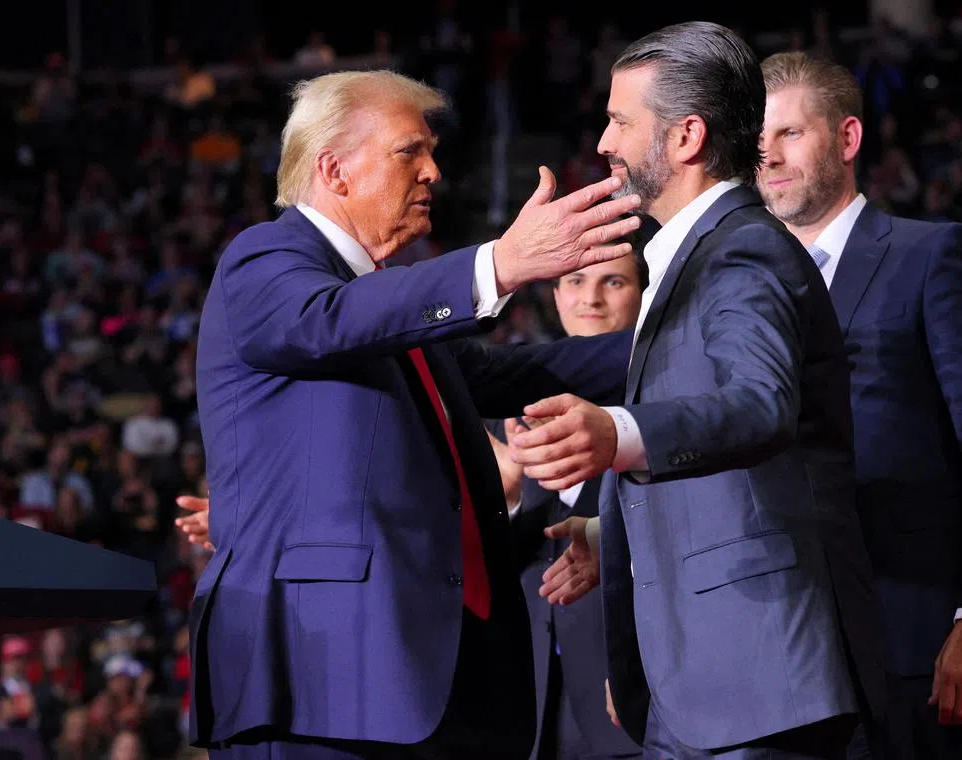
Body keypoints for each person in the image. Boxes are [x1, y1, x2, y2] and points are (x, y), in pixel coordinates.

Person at [190, 69, 643, 760]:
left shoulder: (386, 301)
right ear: (334, 170)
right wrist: (499, 263)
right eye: (410, 151)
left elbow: (503, 374)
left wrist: (675, 337)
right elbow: (327, 322)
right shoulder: (265, 258)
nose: (433, 171)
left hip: (429, 680)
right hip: (325, 679)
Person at [510, 22, 886, 759]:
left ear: (684, 137)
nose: (604, 145)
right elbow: (526, 370)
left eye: (620, 120)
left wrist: (616, 435)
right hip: (697, 684)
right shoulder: (684, 261)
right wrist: (496, 273)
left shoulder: (741, 249)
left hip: (759, 680)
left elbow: (760, 403)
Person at [754, 52, 962, 760]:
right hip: (780, 666)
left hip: (921, 657)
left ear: (848, 140)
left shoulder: (932, 256)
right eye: (757, 141)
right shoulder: (744, 293)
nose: (769, 155)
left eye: (790, 133)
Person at [492, 233, 656, 760]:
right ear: (555, 294)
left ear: (643, 291)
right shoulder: (510, 399)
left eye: (613, 281)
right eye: (575, 281)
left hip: (628, 691)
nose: (590, 299)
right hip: (528, 696)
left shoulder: (661, 404)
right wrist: (511, 500)